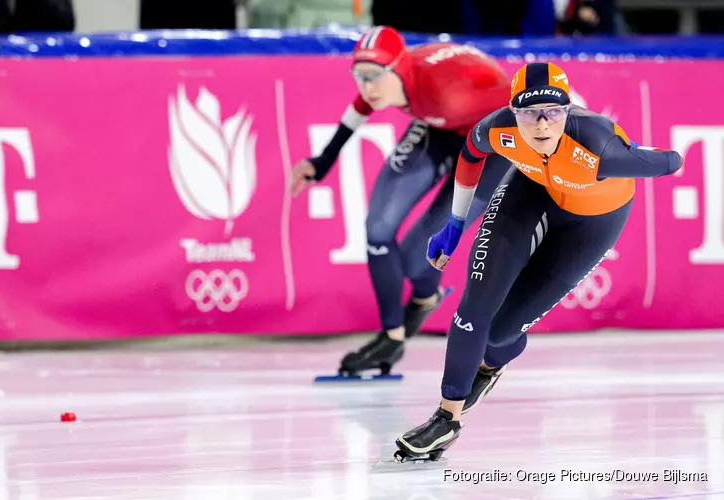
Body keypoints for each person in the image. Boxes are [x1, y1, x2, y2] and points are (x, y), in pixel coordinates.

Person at [392, 61, 683, 461]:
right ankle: (446, 420)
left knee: (499, 334)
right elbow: (470, 155)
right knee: (472, 310)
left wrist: (639, 154)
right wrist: (455, 224)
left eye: (553, 112)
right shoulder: (497, 128)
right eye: (530, 113)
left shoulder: (598, 147)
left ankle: (491, 368)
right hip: (529, 193)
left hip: (592, 224)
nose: (542, 125)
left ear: (567, 110)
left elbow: (671, 161)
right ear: (513, 112)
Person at [290, 26, 513, 377]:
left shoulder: (448, 95)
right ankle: (392, 337)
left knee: (416, 257)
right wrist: (323, 161)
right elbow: (361, 104)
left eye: (375, 77)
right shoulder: (391, 79)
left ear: (399, 69)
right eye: (360, 77)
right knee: (377, 228)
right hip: (438, 124)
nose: (368, 89)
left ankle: (425, 295)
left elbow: (516, 114)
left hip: (490, 142)